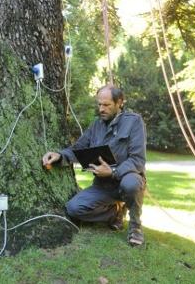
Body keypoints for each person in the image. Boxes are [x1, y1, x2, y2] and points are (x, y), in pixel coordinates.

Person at [42, 85, 147, 246]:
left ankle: (135, 227)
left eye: (106, 105)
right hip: (103, 186)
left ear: (119, 103)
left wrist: (112, 171)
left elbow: (137, 160)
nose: (101, 109)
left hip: (127, 180)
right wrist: (60, 155)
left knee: (131, 184)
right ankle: (115, 213)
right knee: (73, 209)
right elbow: (78, 149)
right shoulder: (96, 125)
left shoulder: (134, 122)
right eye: (99, 104)